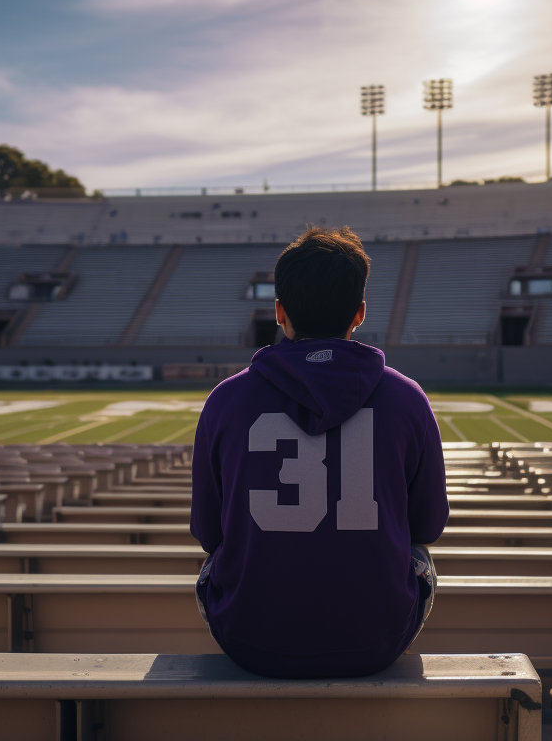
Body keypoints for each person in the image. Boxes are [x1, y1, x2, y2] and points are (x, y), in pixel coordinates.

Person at [190, 226, 449, 678]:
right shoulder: (407, 398)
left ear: (280, 312)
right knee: (420, 556)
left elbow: (209, 532)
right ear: (360, 313)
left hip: (250, 640)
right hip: (376, 642)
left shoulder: (225, 400)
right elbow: (428, 525)